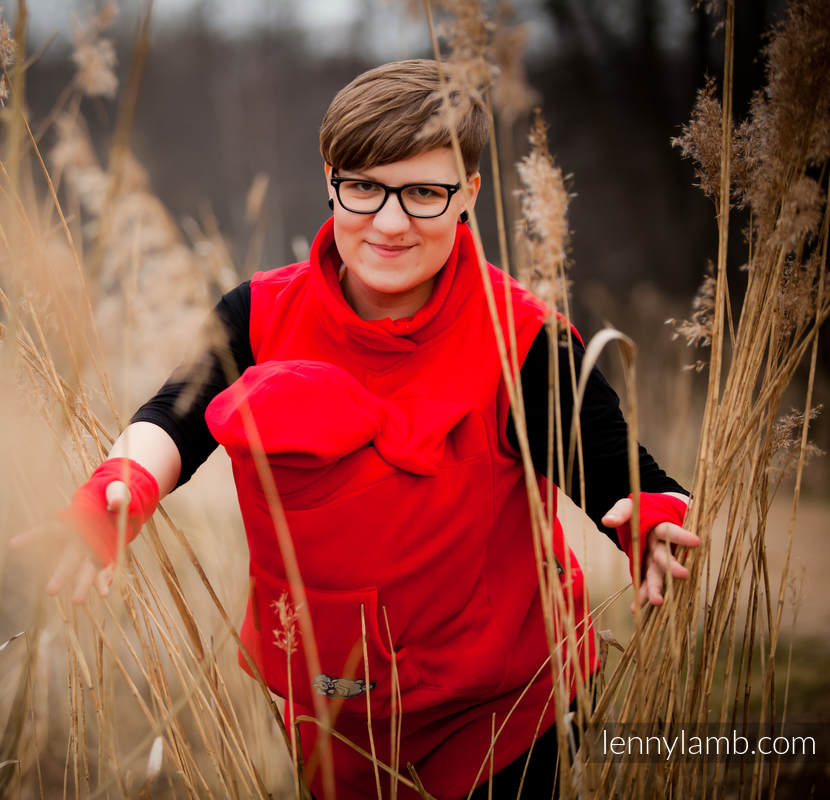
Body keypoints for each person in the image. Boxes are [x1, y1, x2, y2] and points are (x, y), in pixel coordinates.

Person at [46, 59, 699, 800]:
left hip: (501, 715)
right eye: (364, 187)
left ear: (469, 196)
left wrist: (650, 520)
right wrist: (117, 489)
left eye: (424, 193)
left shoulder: (519, 335)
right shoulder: (259, 315)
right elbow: (171, 421)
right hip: (328, 712)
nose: (390, 223)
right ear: (331, 180)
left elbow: (618, 473)